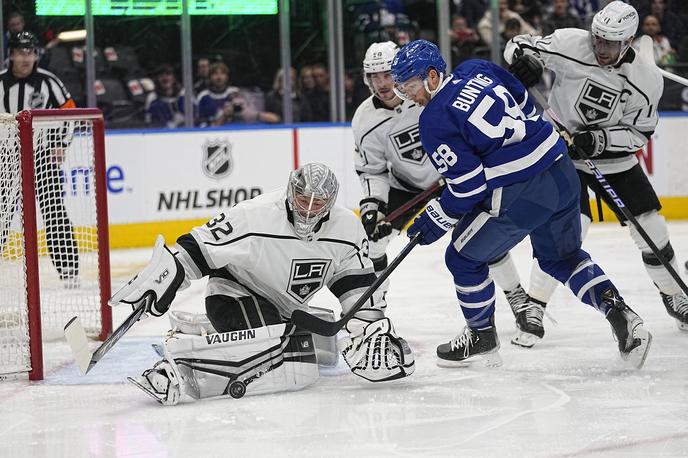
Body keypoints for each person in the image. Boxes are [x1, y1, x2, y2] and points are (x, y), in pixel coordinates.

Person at [390, 39, 652, 368]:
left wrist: (435, 218)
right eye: (402, 90)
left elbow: (468, 187)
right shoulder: (476, 67)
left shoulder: (433, 121)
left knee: (461, 258)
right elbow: (526, 104)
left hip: (521, 192)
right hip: (561, 170)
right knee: (564, 258)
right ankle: (621, 315)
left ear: (431, 75)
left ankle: (481, 335)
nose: (409, 97)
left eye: (411, 87)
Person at [110, 163, 416, 405]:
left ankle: (225, 340)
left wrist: (367, 327)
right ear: (290, 191)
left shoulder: (346, 227)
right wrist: (165, 277)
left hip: (284, 310)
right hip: (235, 294)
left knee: (308, 353)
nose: (308, 209)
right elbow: (197, 247)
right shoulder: (256, 215)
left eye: (318, 201)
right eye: (302, 198)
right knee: (284, 360)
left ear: (331, 202)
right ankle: (174, 369)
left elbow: (355, 284)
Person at [505, 0, 688, 337]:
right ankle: (534, 304)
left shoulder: (646, 79)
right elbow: (515, 44)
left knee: (651, 227)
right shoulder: (571, 42)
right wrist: (524, 60)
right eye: (598, 39)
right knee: (569, 230)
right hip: (561, 154)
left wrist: (599, 141)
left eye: (610, 43)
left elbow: (639, 133)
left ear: (628, 41)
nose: (600, 48)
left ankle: (675, 295)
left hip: (614, 159)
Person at [352, 41, 442, 301]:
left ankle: (517, 297)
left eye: (387, 74)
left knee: (480, 237)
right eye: (374, 76)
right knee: (372, 244)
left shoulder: (425, 94)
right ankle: (374, 309)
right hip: (406, 186)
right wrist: (373, 207)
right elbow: (373, 170)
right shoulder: (365, 119)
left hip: (451, 179)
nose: (382, 83)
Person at [0, 31, 79, 286]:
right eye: (21, 52)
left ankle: (69, 272)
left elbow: (71, 112)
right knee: (1, 213)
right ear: (11, 55)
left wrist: (60, 143)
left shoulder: (48, 82)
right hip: (6, 158)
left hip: (42, 156)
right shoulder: (0, 83)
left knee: (54, 211)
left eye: (31, 52)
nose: (26, 58)